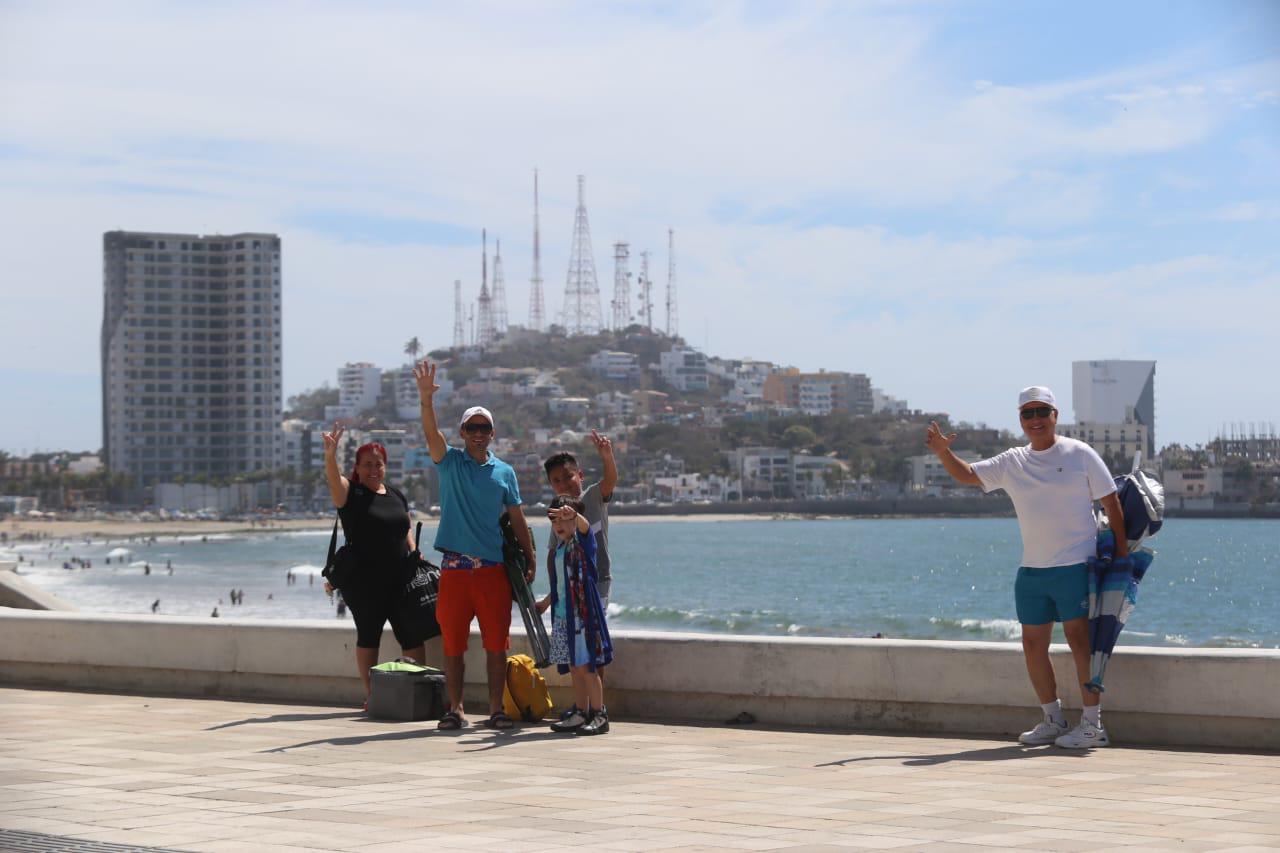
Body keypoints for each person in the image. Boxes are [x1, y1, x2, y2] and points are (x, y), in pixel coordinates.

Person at [926, 386, 1127, 749]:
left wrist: (1122, 556)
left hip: (1076, 565)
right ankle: (1052, 720)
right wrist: (943, 453)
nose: (1035, 419)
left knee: (1080, 642)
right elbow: (968, 474)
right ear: (1020, 419)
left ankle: (1093, 725)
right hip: (1032, 571)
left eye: (1041, 412)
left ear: (1055, 415)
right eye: (1027, 413)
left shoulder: (1080, 453)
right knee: (1033, 646)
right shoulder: (1013, 461)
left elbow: (1111, 503)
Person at [414, 360, 535, 731]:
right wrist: (426, 399)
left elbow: (517, 517)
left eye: (484, 428)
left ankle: (496, 709)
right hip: (454, 572)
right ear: (463, 432)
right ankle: (456, 709)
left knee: (496, 645)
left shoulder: (505, 472)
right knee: (453, 646)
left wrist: (530, 558)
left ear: (493, 433)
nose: (478, 434)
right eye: (472, 428)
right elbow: (431, 433)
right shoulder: (449, 462)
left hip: (493, 571)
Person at [321, 422, 425, 707]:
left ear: (385, 466)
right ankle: (372, 695)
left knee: (412, 637)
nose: (373, 469)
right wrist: (330, 455)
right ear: (357, 467)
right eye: (366, 464)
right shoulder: (350, 494)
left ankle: (418, 691)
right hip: (365, 584)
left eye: (378, 464)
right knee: (369, 636)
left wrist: (414, 551)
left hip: (401, 580)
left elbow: (404, 526)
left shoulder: (395, 494)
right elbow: (333, 479)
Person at [539, 431, 618, 724]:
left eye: (568, 476)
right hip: (569, 595)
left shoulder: (593, 497)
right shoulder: (556, 514)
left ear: (580, 475)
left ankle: (598, 707)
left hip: (597, 584)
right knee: (576, 652)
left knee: (591, 647)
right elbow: (557, 564)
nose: (564, 483)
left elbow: (610, 481)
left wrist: (607, 456)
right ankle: (583, 706)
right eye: (557, 480)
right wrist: (549, 599)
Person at [545, 495, 613, 735]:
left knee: (587, 666)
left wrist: (574, 516)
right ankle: (581, 712)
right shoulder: (560, 549)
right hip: (564, 616)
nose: (559, 525)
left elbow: (585, 529)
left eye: (564, 519)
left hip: (582, 617)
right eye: (555, 521)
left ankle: (599, 713)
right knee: (574, 667)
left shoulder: (583, 543)